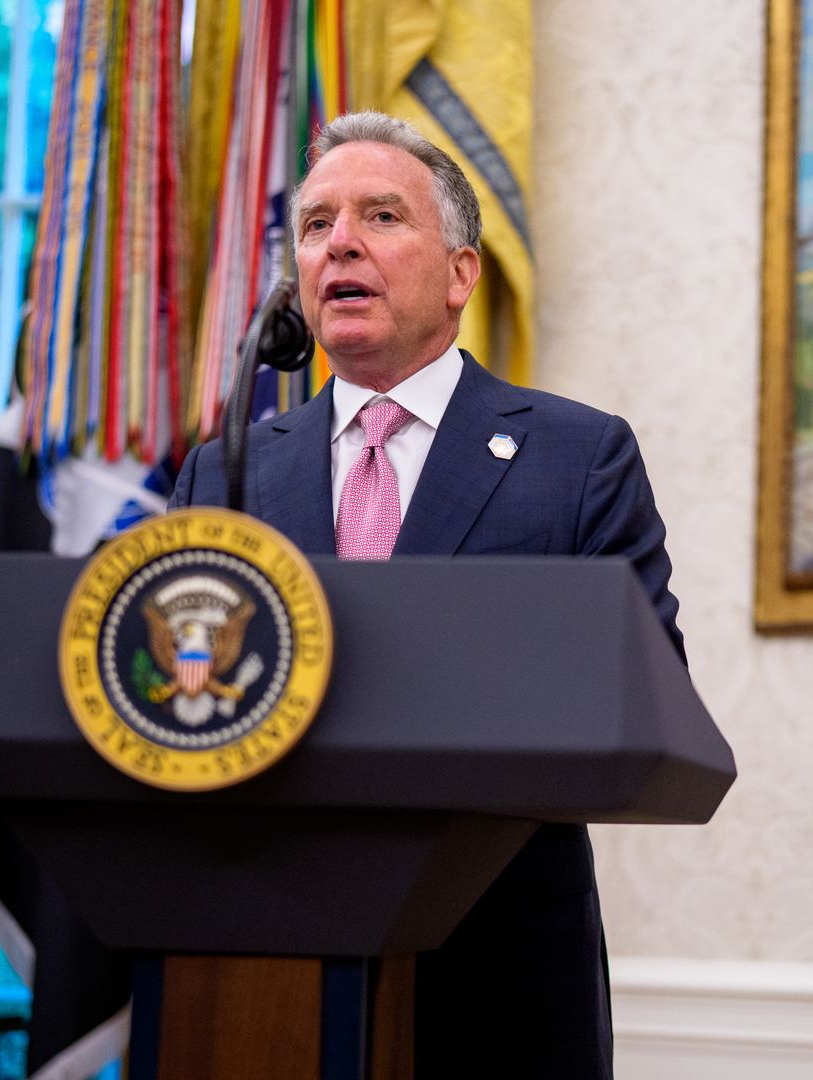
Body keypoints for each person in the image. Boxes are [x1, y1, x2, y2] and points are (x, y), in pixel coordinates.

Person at [171, 111, 681, 1079]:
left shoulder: (576, 458)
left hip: (501, 968)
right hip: (260, 958)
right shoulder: (228, 471)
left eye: (380, 216)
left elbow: (647, 693)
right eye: (317, 225)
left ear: (460, 272)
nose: (341, 244)